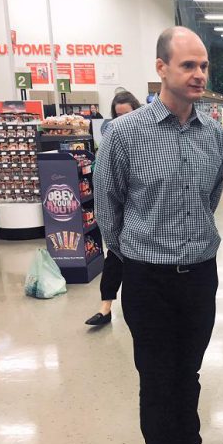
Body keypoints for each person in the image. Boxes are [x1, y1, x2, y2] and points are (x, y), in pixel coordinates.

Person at [94, 27, 223, 444]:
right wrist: (136, 251)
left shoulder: (214, 133)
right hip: (147, 278)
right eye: (188, 65)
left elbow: (209, 196)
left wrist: (187, 238)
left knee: (188, 371)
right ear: (161, 69)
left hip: (199, 274)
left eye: (203, 66)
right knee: (156, 375)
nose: (198, 74)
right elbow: (108, 204)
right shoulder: (124, 133)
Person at [85, 91, 141, 326]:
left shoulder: (146, 138)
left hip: (141, 215)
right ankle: (105, 307)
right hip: (121, 212)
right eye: (116, 116)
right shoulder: (111, 137)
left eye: (125, 115)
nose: (120, 121)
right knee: (114, 258)